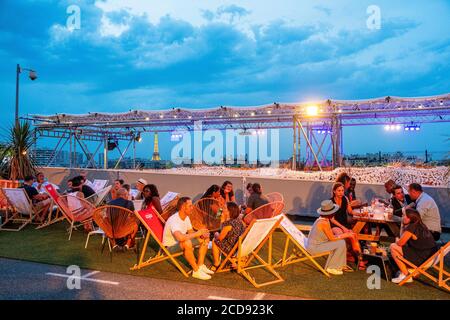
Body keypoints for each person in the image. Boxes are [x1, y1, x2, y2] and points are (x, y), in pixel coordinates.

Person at [162, 197, 212, 280]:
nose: (192, 208)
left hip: (180, 243)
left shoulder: (186, 217)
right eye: (190, 206)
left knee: (205, 239)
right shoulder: (174, 220)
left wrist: (201, 235)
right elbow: (180, 237)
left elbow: (191, 232)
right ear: (183, 207)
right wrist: (197, 233)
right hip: (169, 248)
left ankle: (200, 266)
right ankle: (196, 271)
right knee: (187, 242)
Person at [390, 208, 438, 284]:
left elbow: (400, 243)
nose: (403, 217)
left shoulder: (411, 227)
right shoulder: (421, 225)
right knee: (403, 248)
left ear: (410, 218)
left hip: (422, 258)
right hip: (432, 257)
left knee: (393, 246)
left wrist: (397, 239)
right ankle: (405, 271)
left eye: (405, 216)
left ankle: (405, 275)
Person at [306, 200, 352, 275]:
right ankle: (332, 267)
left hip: (318, 244)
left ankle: (340, 265)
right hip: (314, 247)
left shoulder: (324, 220)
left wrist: (343, 235)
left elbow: (331, 236)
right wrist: (346, 235)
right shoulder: (323, 222)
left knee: (341, 241)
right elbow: (332, 238)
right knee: (341, 243)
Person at [330, 182, 365, 268]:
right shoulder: (330, 202)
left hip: (344, 224)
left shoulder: (345, 198)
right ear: (334, 191)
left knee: (354, 236)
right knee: (341, 235)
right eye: (339, 191)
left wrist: (360, 214)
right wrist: (343, 228)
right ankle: (342, 259)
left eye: (342, 190)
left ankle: (360, 259)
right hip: (334, 225)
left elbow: (350, 211)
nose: (341, 192)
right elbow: (332, 219)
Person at [211, 202, 246, 271]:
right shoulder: (239, 221)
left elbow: (220, 238)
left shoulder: (228, 224)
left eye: (224, 208)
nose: (222, 209)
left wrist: (216, 234)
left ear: (229, 211)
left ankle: (216, 264)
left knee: (214, 241)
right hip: (239, 247)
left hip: (232, 248)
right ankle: (234, 260)